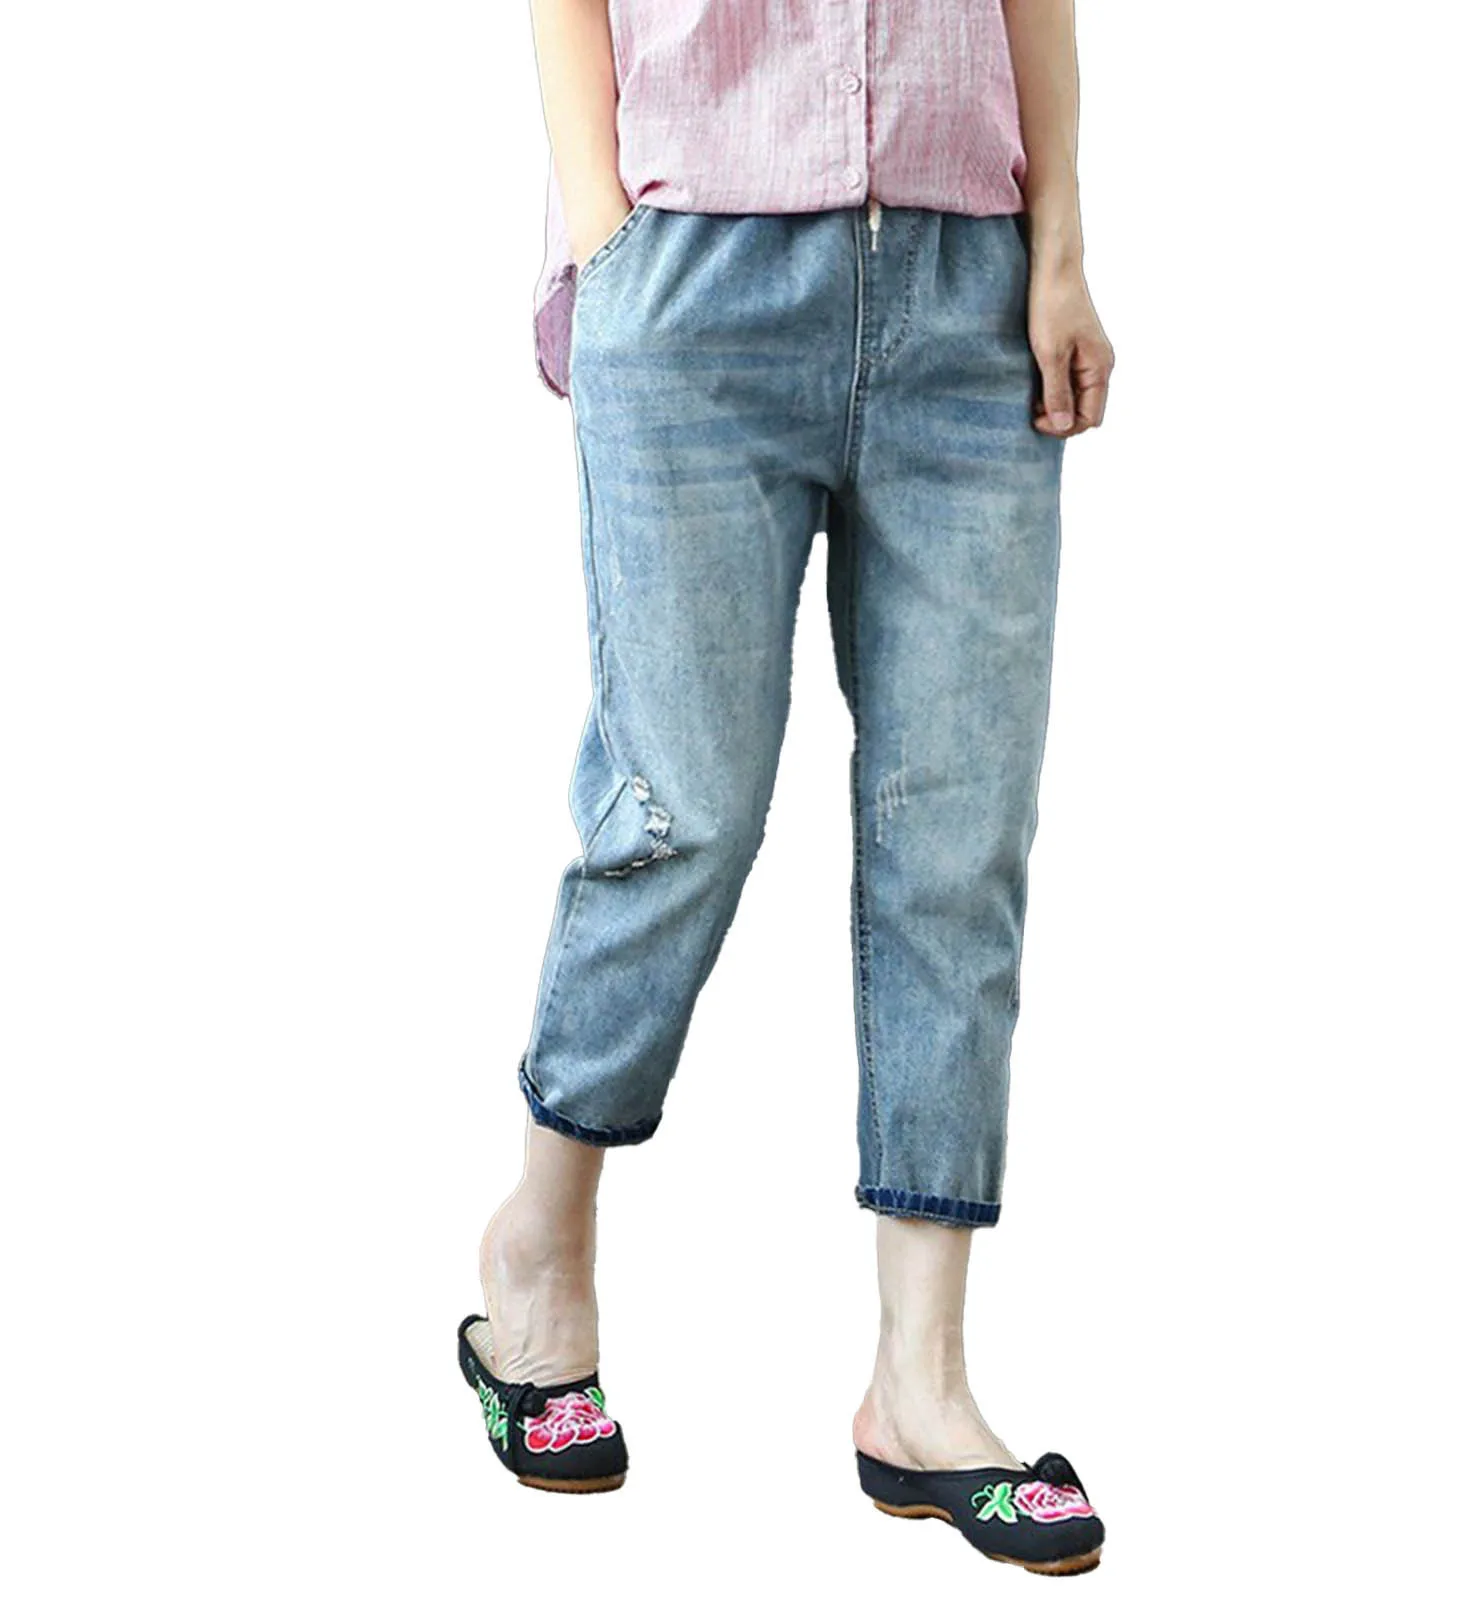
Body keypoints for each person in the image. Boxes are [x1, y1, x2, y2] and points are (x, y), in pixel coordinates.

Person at [457, 0, 1114, 1575]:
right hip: (700, 265)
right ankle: (539, 1249)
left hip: (968, 277)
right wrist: (606, 235)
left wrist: (1061, 243)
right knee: (678, 813)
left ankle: (922, 1389)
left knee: (958, 840)